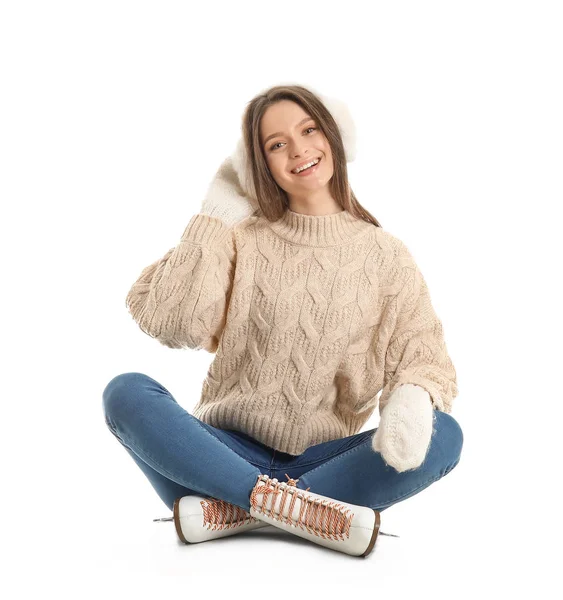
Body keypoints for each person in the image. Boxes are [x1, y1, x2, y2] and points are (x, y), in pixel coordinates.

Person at [102, 83, 463, 557]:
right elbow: (173, 320)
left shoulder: (386, 257)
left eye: (309, 129)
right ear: (260, 166)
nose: (299, 150)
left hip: (321, 464)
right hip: (216, 456)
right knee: (125, 392)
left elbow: (425, 359)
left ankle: (237, 513)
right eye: (276, 144)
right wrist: (216, 213)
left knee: (445, 436)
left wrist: (411, 399)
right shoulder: (240, 237)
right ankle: (300, 512)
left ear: (334, 137)